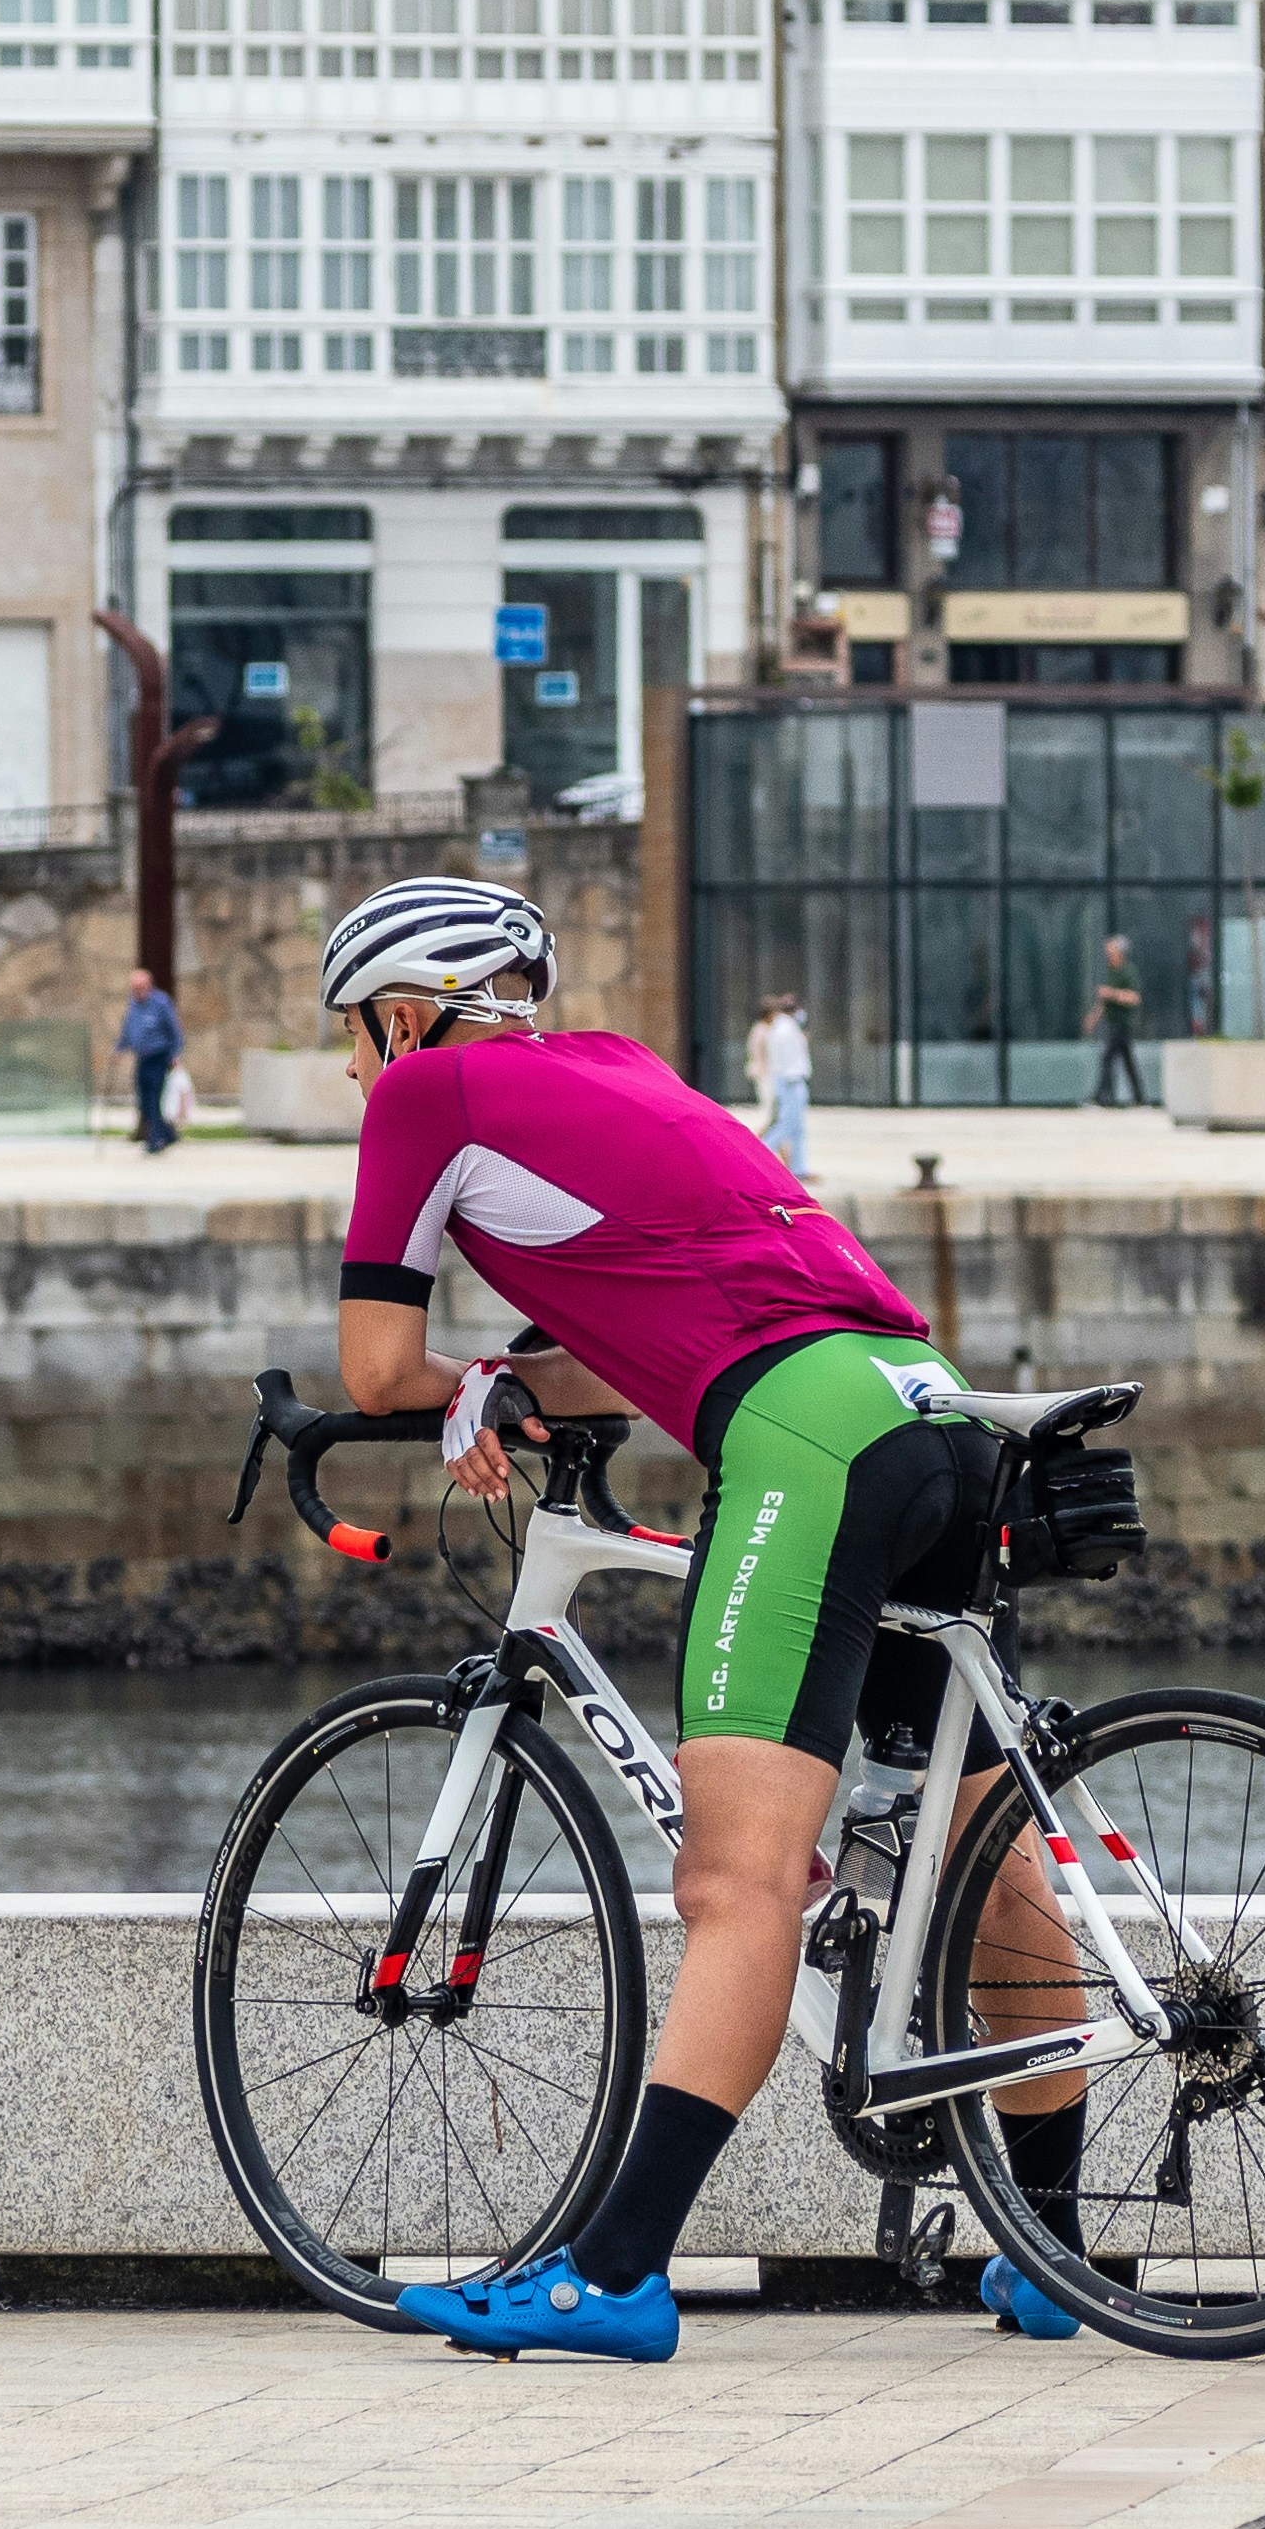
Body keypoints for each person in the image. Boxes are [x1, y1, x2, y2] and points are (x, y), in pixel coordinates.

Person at [314, 874, 1094, 2364]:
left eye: (354, 1037)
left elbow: (370, 1365)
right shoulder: (622, 1072)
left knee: (739, 1885)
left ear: (403, 1011)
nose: (357, 1071)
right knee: (988, 1864)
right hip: (925, 1402)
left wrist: (459, 1383)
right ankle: (1056, 2259)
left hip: (806, 1440)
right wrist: (513, 1381)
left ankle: (611, 2273)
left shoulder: (426, 1095)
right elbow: (658, 1333)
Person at [116, 965, 184, 1154]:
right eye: (134, 988)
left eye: (140, 987)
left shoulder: (161, 1003)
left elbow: (175, 1032)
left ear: (148, 986)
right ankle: (169, 1134)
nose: (136, 992)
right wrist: (118, 1049)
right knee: (143, 1100)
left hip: (159, 1057)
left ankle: (154, 1140)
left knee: (154, 1098)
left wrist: (175, 1055)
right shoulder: (133, 1004)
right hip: (142, 1058)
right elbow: (128, 1029)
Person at [754, 991, 812, 1172]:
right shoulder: (786, 1028)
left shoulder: (779, 1028)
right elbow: (792, 1059)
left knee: (796, 1129)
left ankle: (799, 1168)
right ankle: (759, 1154)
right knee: (787, 1125)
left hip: (785, 1079)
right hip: (791, 1081)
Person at [1088, 937, 1148, 1109]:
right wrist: (1093, 1017)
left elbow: (1134, 997)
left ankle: (1101, 1097)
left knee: (1107, 1058)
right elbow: (1104, 1000)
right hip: (1113, 1021)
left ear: (1120, 953)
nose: (1108, 955)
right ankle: (1139, 1098)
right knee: (1127, 1061)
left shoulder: (1128, 972)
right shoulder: (1112, 971)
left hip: (1123, 1024)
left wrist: (1112, 993)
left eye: (1111, 951)